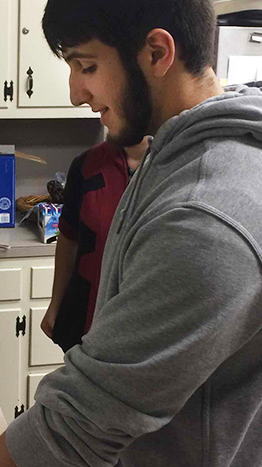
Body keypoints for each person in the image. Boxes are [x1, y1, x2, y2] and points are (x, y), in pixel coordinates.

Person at [0, 0, 262, 466]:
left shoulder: (209, 217)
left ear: (157, 53)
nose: (77, 92)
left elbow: (78, 427)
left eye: (87, 66)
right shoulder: (179, 152)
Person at [41, 137, 150, 352]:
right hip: (86, 315)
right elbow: (68, 237)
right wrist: (56, 303)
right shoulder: (86, 164)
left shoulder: (175, 164)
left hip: (143, 322)